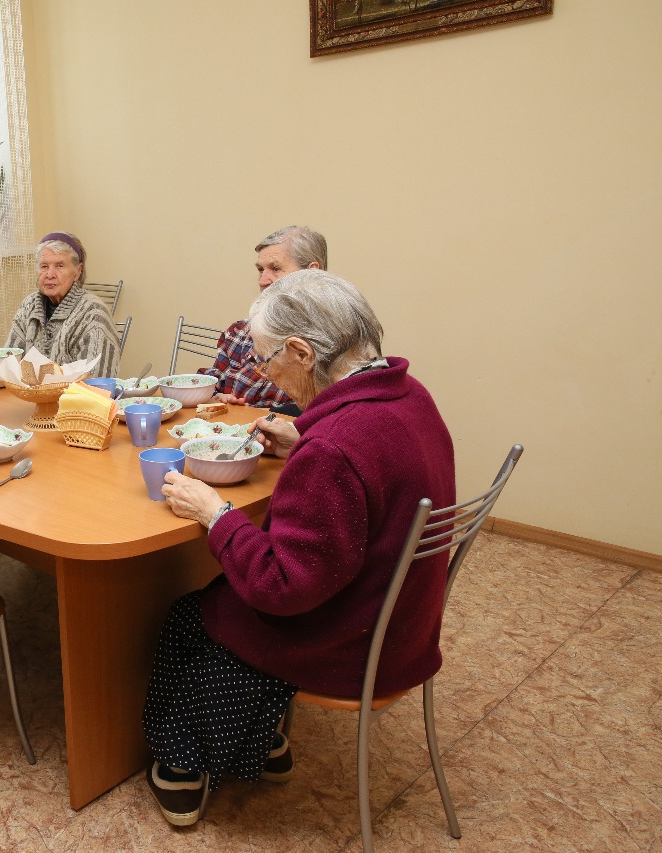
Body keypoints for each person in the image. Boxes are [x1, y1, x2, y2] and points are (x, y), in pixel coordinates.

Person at [143, 269, 455, 827]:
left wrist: (215, 514)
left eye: (267, 360)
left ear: (301, 351)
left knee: (193, 616)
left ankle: (183, 770)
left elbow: (280, 590)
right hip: (404, 621)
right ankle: (266, 745)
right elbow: (371, 476)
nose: (266, 374)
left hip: (353, 644)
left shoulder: (334, 448)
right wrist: (306, 439)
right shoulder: (409, 396)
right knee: (223, 597)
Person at [201, 225, 328, 416]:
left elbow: (324, 413)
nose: (262, 280)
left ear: (311, 274)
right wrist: (215, 398)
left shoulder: (330, 344)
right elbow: (213, 383)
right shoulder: (239, 333)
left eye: (275, 269)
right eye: (261, 270)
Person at [5, 231, 120, 377]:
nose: (50, 274)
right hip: (28, 397)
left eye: (59, 266)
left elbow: (96, 379)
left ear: (78, 271)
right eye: (44, 266)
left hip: (76, 398)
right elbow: (9, 363)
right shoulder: (29, 306)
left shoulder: (94, 314)